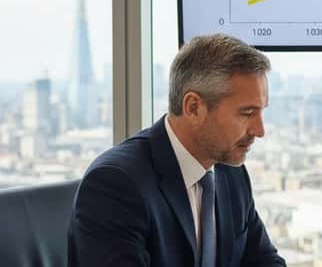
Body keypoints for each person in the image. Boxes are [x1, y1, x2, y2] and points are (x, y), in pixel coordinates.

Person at [68, 34, 287, 266]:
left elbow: (265, 261)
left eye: (261, 112)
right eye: (247, 113)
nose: (260, 130)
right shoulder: (115, 185)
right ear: (193, 108)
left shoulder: (230, 172)